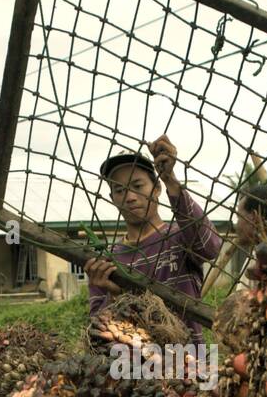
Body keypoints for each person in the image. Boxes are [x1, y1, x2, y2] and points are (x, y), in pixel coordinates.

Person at [85, 135, 222, 345]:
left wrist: (171, 180)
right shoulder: (107, 261)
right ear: (112, 199)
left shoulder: (179, 237)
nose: (130, 196)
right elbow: (96, 335)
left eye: (138, 186)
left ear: (156, 189)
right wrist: (113, 296)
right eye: (119, 190)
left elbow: (210, 247)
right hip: (135, 371)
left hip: (189, 365)